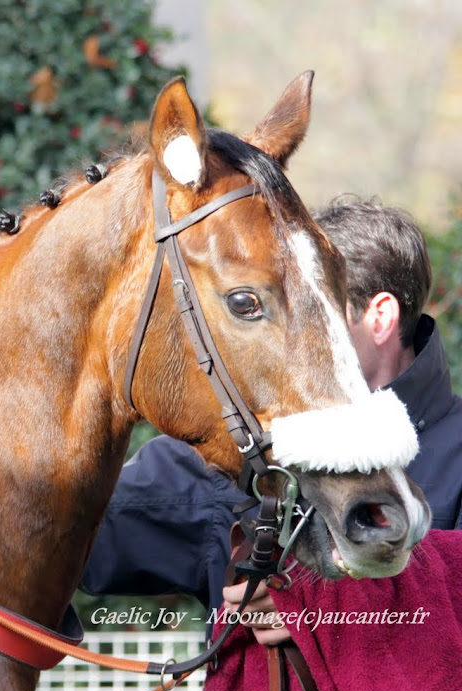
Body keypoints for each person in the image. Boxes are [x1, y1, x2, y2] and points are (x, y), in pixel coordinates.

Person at [80, 196, 462, 646]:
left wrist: (317, 610)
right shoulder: (243, 442)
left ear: (380, 317)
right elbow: (67, 536)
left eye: (317, 310)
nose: (293, 334)